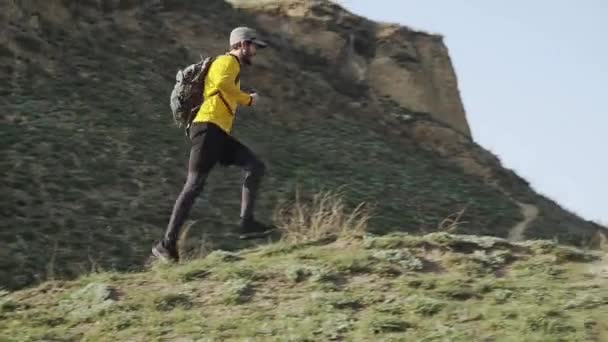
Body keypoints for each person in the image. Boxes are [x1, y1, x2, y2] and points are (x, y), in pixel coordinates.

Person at [152, 27, 271, 263]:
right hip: (207, 129)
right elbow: (222, 84)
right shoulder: (228, 61)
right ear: (242, 44)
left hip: (218, 133)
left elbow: (224, 87)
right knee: (193, 185)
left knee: (255, 166)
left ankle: (246, 224)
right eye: (254, 46)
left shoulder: (230, 65)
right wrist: (248, 99)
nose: (255, 51)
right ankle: (166, 245)